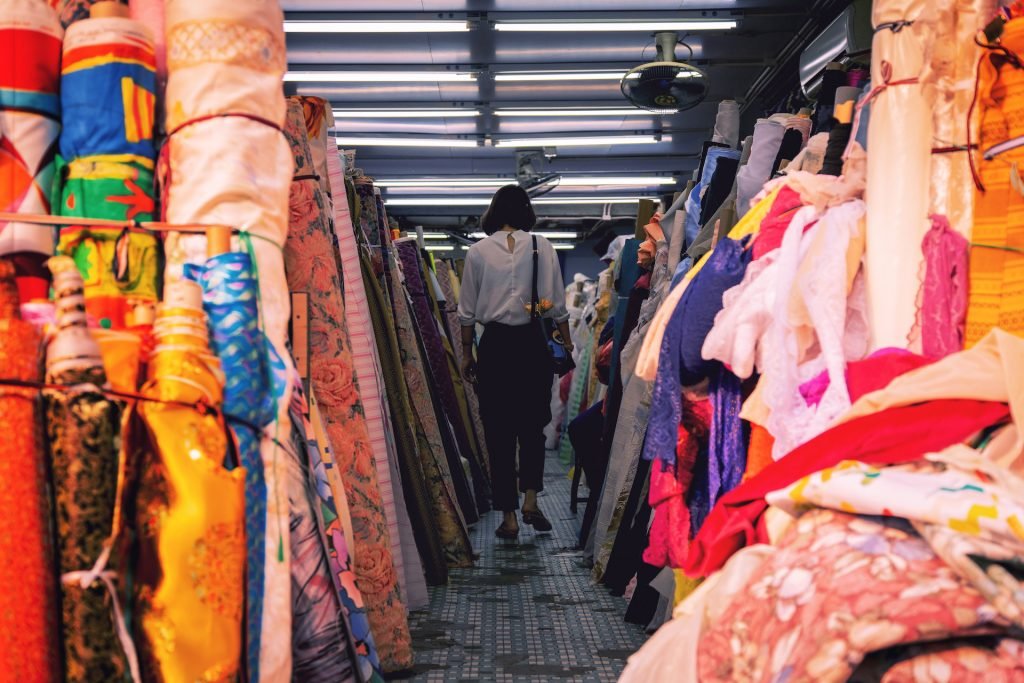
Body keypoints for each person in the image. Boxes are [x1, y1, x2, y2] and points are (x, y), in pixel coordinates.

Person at [458, 185, 573, 540]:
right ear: (525, 211)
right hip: (532, 346)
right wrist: (566, 344)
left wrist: (466, 354)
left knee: (498, 433)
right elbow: (556, 307)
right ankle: (531, 499)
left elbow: (466, 313)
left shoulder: (476, 253)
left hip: (494, 347)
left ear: (494, 211)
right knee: (533, 427)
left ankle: (507, 517)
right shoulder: (544, 247)